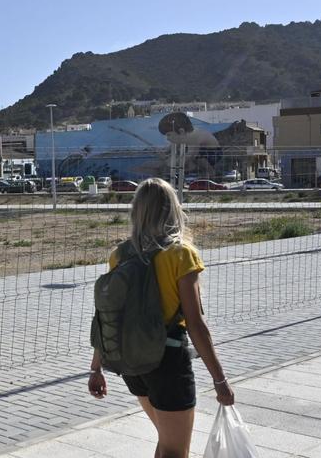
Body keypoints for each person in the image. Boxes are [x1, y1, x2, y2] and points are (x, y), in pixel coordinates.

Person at [87, 178, 234, 458]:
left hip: (134, 365)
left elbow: (110, 315)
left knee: (167, 443)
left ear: (137, 212)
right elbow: (195, 324)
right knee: (176, 450)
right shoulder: (181, 254)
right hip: (167, 362)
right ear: (173, 209)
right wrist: (219, 379)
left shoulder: (121, 255)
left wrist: (96, 368)